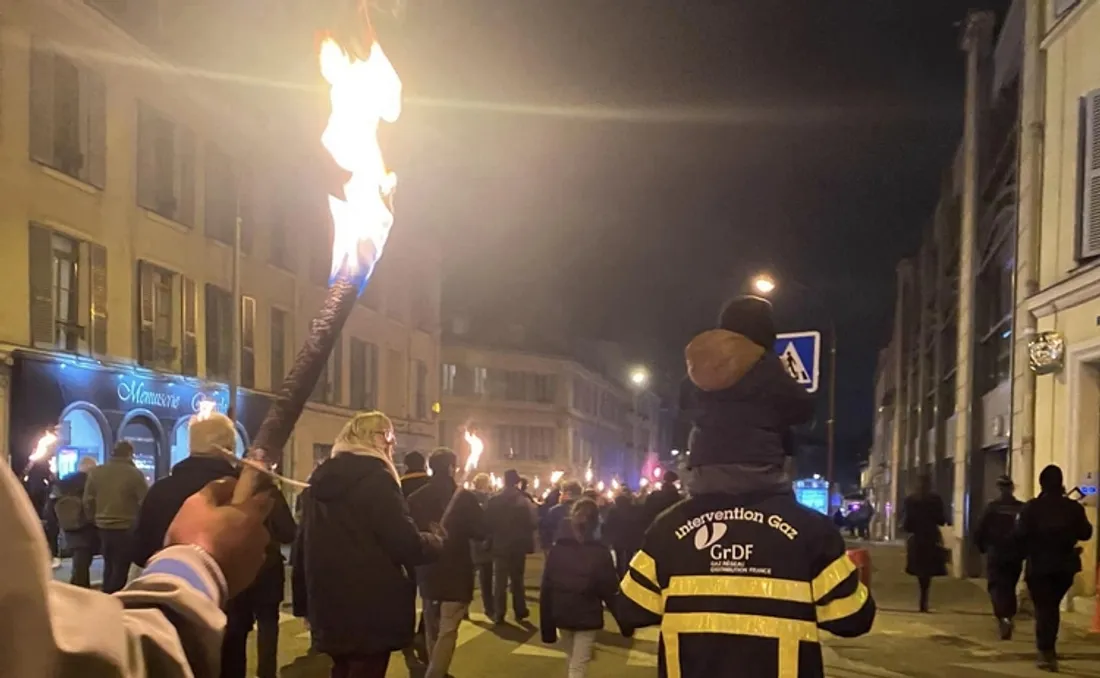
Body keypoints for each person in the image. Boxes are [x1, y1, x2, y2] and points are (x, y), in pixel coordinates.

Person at [618, 297, 874, 678]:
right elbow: (852, 619)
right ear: (779, 444)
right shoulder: (809, 533)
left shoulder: (668, 530)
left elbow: (629, 610)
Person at [0, 456, 274, 677]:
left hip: (104, 529)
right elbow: (47, 652)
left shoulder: (158, 486)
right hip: (207, 610)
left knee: (104, 574)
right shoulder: (136, 477)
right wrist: (199, 558)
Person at [131, 411, 293, 678]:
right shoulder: (249, 491)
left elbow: (139, 552)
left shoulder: (160, 491)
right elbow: (288, 531)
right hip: (234, 609)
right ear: (229, 447)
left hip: (171, 615)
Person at [295, 411, 443, 678]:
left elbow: (303, 543)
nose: (392, 445)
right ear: (375, 439)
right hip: (370, 604)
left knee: (342, 668)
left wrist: (304, 601)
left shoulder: (319, 479)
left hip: (328, 600)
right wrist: (435, 542)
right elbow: (403, 541)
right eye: (389, 437)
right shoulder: (378, 479)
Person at [408, 448, 486, 678]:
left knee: (432, 627)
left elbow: (409, 532)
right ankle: (435, 674)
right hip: (457, 570)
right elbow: (480, 532)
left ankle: (435, 670)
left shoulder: (415, 499)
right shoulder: (465, 498)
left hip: (428, 569)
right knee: (448, 630)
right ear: (452, 468)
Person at [1015, 464, 1093, 671]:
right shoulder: (1073, 508)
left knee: (1044, 608)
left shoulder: (1031, 508)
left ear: (1041, 484)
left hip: (1039, 565)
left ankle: (1046, 651)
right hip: (1064, 566)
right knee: (1051, 607)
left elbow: (1019, 534)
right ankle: (1048, 649)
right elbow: (1086, 533)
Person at [541, 498, 625, 678]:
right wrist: (625, 620)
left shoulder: (558, 549)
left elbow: (547, 587)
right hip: (587, 614)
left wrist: (547, 626)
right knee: (578, 664)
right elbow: (610, 591)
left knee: (572, 659)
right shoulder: (600, 552)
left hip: (561, 611)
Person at [244, 474, 298, 678]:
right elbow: (288, 532)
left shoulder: (232, 491)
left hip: (238, 565)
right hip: (267, 565)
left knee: (235, 627)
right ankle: (266, 673)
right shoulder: (272, 495)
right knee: (267, 623)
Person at [83, 440, 148, 593]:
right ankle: (115, 597)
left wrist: (93, 518)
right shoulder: (135, 474)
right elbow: (145, 501)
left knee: (108, 564)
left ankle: (106, 593)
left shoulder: (96, 472)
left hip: (103, 527)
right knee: (121, 567)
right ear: (130, 454)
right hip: (126, 526)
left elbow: (87, 500)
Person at [974, 475, 1024, 639]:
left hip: (996, 553)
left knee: (996, 586)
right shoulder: (1021, 508)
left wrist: (981, 547)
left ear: (1000, 489)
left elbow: (980, 530)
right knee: (1010, 586)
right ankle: (1009, 615)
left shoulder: (992, 508)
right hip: (1015, 555)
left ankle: (1003, 616)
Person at [486, 469, 537, 624]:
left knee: (499, 581)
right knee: (517, 579)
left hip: (500, 543)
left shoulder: (494, 500)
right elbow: (533, 522)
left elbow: (487, 522)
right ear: (516, 481)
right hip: (518, 544)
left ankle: (499, 612)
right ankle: (520, 610)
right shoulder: (523, 500)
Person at [902, 474, 948, 612]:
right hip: (931, 537)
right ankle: (924, 598)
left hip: (917, 538)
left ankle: (923, 598)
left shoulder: (910, 500)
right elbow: (941, 519)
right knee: (928, 570)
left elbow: (907, 523)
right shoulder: (935, 499)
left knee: (920, 569)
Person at [53, 456, 98, 587]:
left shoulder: (63, 482)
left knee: (79, 561)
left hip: (68, 526)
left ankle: (77, 586)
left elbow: (51, 505)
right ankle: (80, 590)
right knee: (82, 562)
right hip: (85, 526)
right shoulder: (91, 482)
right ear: (91, 468)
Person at [603, 489, 645, 580]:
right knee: (629, 556)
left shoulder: (613, 511)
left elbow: (609, 525)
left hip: (618, 539)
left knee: (619, 557)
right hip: (630, 538)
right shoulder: (634, 510)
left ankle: (620, 574)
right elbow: (638, 524)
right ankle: (627, 572)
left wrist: (609, 538)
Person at [471, 472, 495, 614]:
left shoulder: (467, 498)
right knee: (486, 579)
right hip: (485, 541)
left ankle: (465, 607)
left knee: (469, 577)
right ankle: (489, 607)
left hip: (471, 542)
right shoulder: (489, 500)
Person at [543, 480, 583, 547]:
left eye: (561, 493)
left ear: (568, 494)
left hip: (561, 547)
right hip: (582, 548)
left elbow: (547, 532)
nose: (560, 496)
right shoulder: (587, 509)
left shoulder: (556, 510)